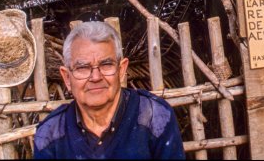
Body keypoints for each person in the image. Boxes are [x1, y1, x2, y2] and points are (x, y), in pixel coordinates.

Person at [34, 21, 185, 159]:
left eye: (106, 65)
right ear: (67, 77)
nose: (95, 77)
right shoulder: (50, 134)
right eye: (82, 67)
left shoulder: (153, 117)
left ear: (121, 70)